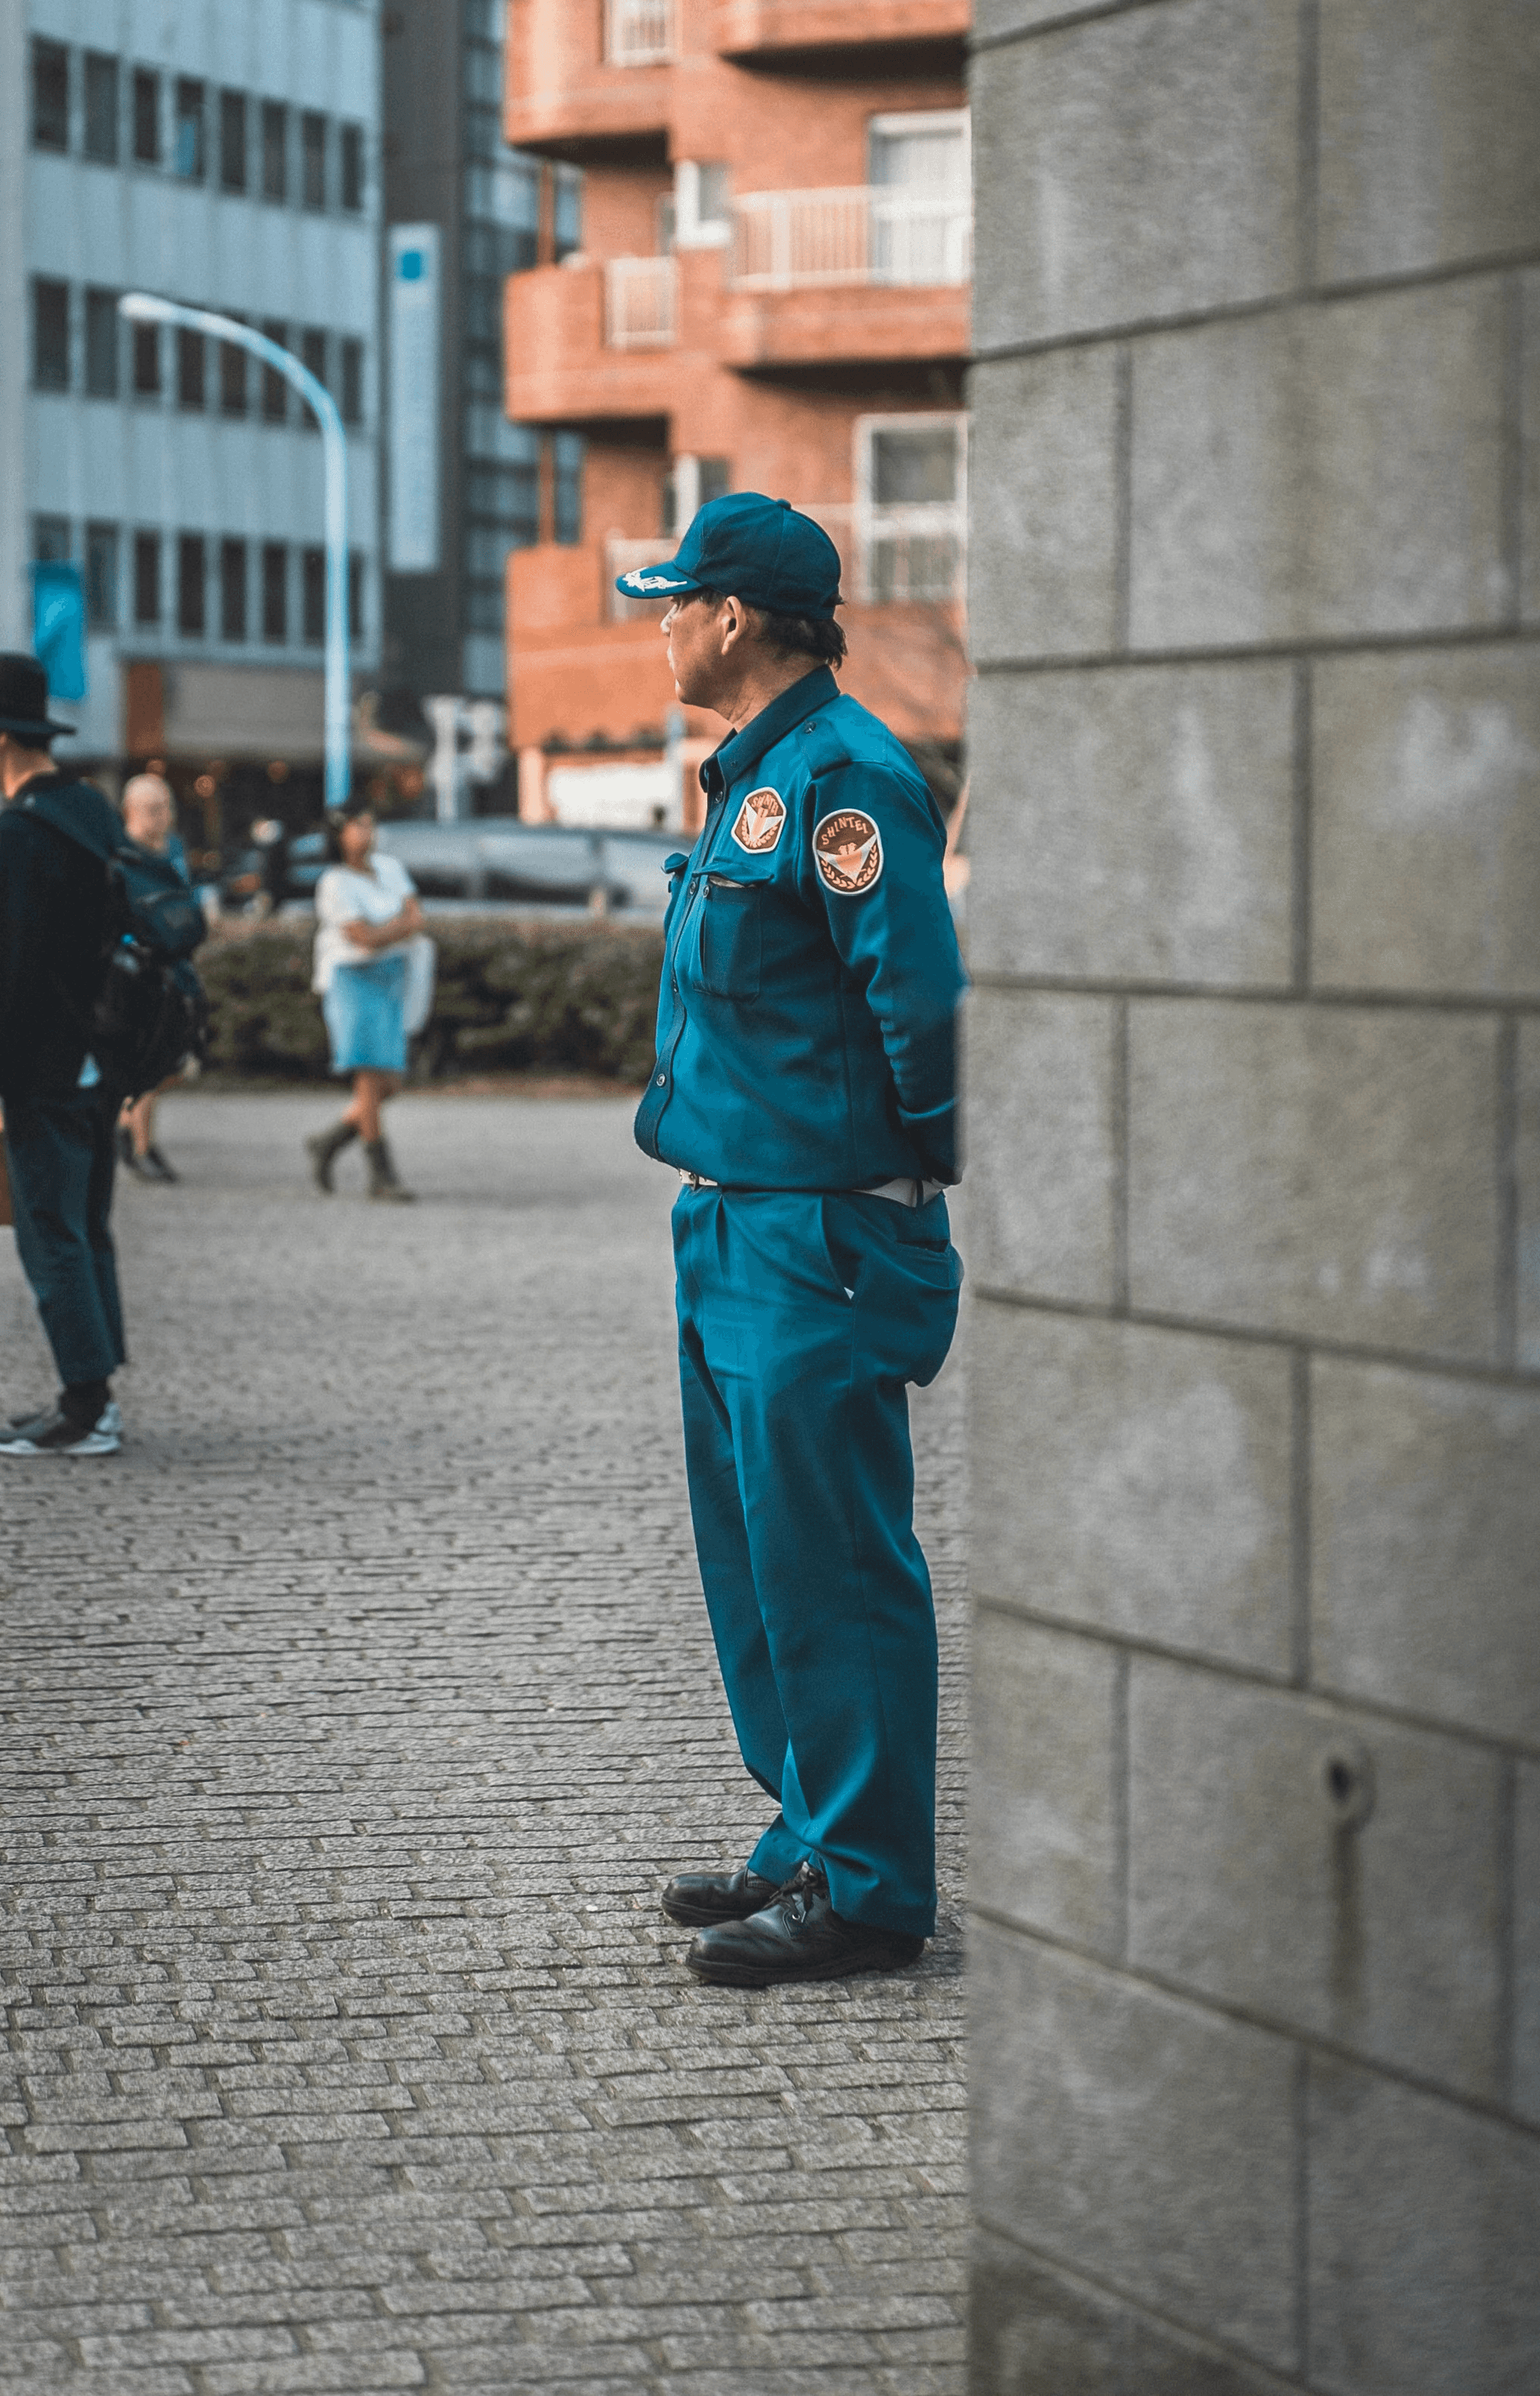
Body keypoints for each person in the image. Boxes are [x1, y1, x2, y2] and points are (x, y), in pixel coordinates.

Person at [617, 493, 967, 1988]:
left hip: (815, 1226)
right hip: (732, 1216)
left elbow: (924, 1004)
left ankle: (875, 1891)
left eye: (677, 601)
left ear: (740, 617)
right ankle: (812, 1831)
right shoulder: (753, 773)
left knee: (834, 1559)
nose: (666, 624)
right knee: (759, 1554)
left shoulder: (842, 778)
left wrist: (898, 1179)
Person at [0, 650, 128, 1457]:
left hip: (47, 1067)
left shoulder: (19, 831)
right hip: (103, 1058)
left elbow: (8, 970)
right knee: (87, 1228)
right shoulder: (90, 810)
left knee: (48, 1233)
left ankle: (86, 1411)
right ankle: (93, 1395)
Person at [305, 806, 422, 1201]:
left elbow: (413, 917)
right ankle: (380, 1174)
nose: (367, 832)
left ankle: (330, 1141)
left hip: (391, 977)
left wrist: (387, 931)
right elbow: (362, 939)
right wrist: (396, 929)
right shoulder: (335, 883)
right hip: (352, 980)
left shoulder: (389, 867)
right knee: (370, 1077)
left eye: (371, 823)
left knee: (390, 1084)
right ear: (338, 834)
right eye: (358, 825)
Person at [115, 772, 190, 1184]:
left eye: (168, 808)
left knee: (168, 1063)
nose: (164, 817)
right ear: (130, 811)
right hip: (134, 971)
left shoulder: (172, 851)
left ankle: (129, 1129)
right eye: (154, 809)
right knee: (147, 1059)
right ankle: (140, 1145)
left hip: (171, 967)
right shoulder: (121, 854)